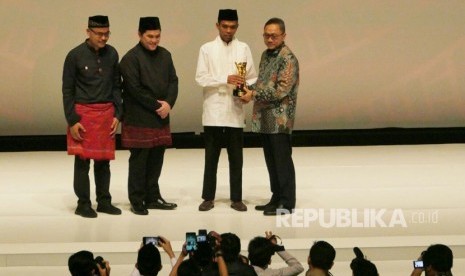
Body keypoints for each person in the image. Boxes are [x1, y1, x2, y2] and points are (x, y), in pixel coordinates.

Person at [195, 9, 257, 212]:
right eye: (225, 26)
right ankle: (208, 197)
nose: (228, 30)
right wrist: (225, 79)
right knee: (211, 158)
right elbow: (201, 78)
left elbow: (252, 76)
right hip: (213, 111)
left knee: (236, 159)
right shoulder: (207, 48)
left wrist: (247, 91)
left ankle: (237, 198)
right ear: (217, 26)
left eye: (232, 27)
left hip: (235, 110)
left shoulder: (244, 48)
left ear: (237, 27)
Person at [62, 15, 122, 218]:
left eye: (107, 34)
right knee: (82, 161)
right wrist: (72, 120)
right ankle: (83, 203)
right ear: (88, 32)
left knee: (104, 162)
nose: (104, 38)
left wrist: (118, 114)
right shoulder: (75, 56)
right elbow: (67, 90)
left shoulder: (112, 54)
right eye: (99, 34)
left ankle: (104, 201)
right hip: (83, 115)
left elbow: (116, 86)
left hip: (106, 114)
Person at [120, 17, 179, 215]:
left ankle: (153, 197)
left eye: (157, 36)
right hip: (139, 117)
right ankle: (137, 199)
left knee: (157, 158)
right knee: (139, 160)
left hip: (160, 115)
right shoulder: (130, 58)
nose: (154, 40)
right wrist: (158, 106)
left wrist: (169, 103)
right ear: (139, 35)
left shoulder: (166, 55)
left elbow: (173, 81)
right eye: (150, 36)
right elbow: (134, 89)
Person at [242, 17, 299, 216]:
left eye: (274, 35)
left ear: (283, 35)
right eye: (266, 35)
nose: (269, 39)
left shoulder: (288, 58)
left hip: (280, 117)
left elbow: (281, 90)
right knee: (271, 160)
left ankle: (287, 201)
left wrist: (253, 94)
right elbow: (262, 82)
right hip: (265, 115)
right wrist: (245, 89)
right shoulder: (266, 55)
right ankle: (276, 197)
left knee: (282, 160)